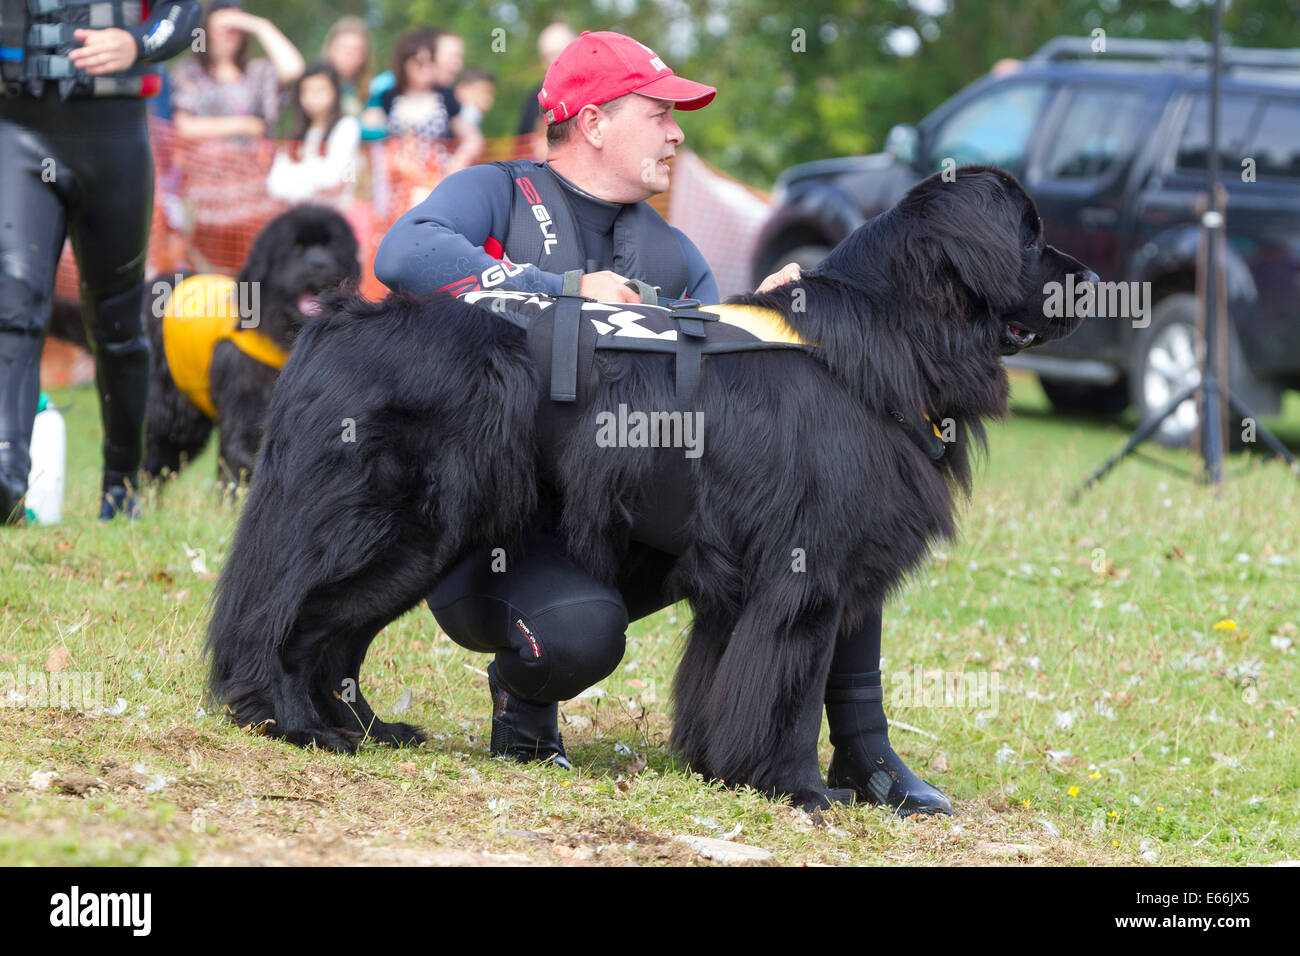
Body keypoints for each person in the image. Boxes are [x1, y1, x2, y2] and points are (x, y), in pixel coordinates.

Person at [374, 30, 950, 816]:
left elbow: (726, 389)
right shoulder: (498, 191)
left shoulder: (674, 251)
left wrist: (772, 312)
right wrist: (562, 287)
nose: (679, 132)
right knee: (578, 632)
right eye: (660, 112)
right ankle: (522, 690)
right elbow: (405, 253)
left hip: (617, 519)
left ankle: (861, 745)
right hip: (493, 527)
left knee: (835, 497)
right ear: (594, 122)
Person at [0, 0, 202, 522]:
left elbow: (184, 14)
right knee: (15, 303)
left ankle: (121, 486)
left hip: (115, 140)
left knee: (117, 323)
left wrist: (136, 43)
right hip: (17, 131)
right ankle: (7, 481)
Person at [170, 0, 304, 142]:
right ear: (206, 29)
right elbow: (184, 127)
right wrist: (243, 125)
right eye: (223, 28)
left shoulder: (257, 73)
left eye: (236, 28)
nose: (230, 33)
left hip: (254, 162)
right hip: (200, 162)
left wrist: (260, 26)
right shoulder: (190, 72)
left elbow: (294, 70)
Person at [266, 63, 360, 205]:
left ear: (335, 92)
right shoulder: (296, 133)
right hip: (298, 216)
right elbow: (275, 185)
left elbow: (333, 179)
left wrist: (293, 175)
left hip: (333, 216)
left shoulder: (346, 127)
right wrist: (315, 175)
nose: (313, 97)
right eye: (307, 90)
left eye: (320, 90)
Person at [516, 22, 574, 136]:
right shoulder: (535, 98)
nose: (554, 61)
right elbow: (521, 143)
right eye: (548, 56)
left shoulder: (596, 89)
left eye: (559, 52)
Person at [320, 16, 371, 122]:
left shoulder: (370, 90)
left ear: (364, 56)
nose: (348, 55)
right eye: (343, 48)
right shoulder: (316, 83)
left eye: (356, 50)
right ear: (330, 49)